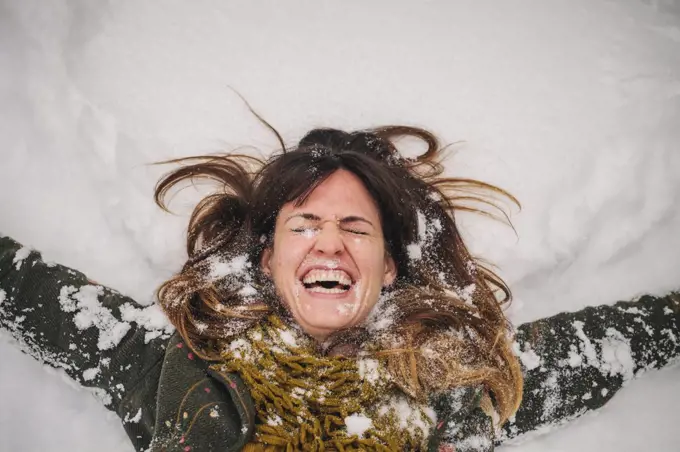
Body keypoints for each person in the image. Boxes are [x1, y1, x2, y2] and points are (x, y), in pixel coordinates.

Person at [0, 125, 678, 452]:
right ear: (268, 260)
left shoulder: (457, 384)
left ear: (390, 267)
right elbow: (35, 296)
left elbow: (596, 349)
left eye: (356, 227)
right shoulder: (179, 367)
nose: (329, 243)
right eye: (305, 225)